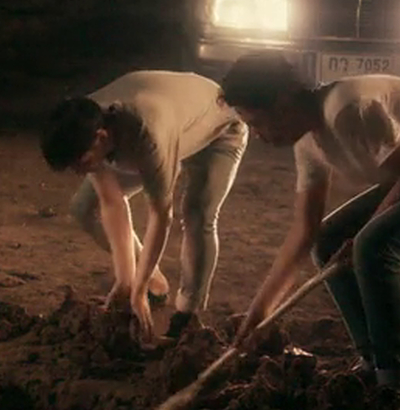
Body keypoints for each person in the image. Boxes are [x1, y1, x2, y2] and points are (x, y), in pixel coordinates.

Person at [218, 54, 400, 410]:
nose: (259, 136)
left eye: (257, 123)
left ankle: (397, 388)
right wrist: (260, 314)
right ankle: (373, 361)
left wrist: (361, 235)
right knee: (328, 242)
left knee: (373, 247)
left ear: (282, 102)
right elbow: (305, 231)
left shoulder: (347, 109)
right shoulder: (308, 143)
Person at [39, 71, 247, 342]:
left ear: (101, 137)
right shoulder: (83, 120)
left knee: (197, 214)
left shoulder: (148, 134)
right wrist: (127, 281)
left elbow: (161, 216)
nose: (79, 171)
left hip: (218, 127)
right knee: (84, 207)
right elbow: (111, 202)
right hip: (162, 124)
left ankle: (187, 314)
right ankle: (153, 285)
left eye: (82, 163)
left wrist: (136, 292)